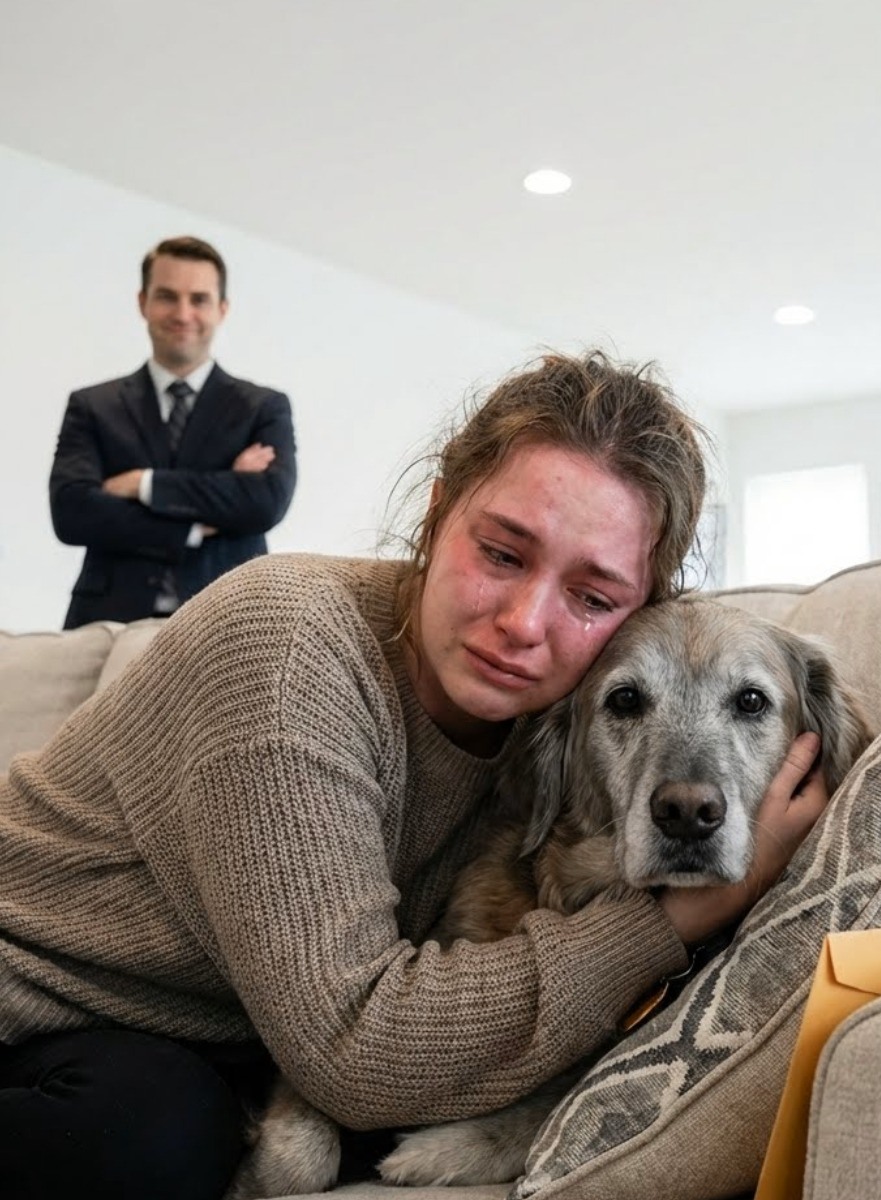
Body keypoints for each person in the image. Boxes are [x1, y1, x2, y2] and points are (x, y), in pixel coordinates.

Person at [1, 350, 828, 1200]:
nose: (524, 623)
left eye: (590, 597)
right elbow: (356, 1052)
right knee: (134, 1143)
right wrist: (669, 921)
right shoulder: (287, 652)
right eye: (502, 554)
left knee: (173, 1124)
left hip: (201, 1031)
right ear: (437, 516)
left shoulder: (566, 720)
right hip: (32, 998)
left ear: (636, 612)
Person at [49, 235, 297, 629]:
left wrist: (144, 484)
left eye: (199, 299)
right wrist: (202, 517)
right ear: (143, 302)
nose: (183, 314)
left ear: (222, 309)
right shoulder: (92, 405)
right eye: (167, 296)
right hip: (107, 621)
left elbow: (265, 502)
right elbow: (72, 512)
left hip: (224, 622)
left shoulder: (263, 407)